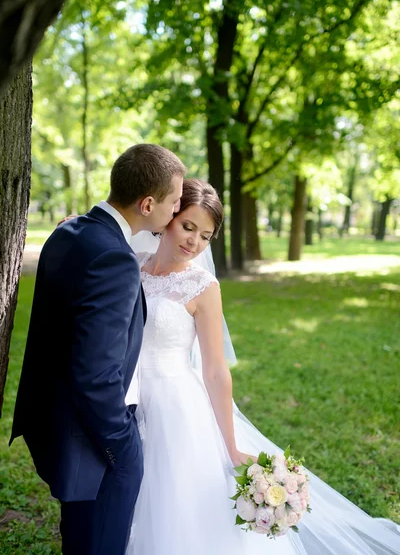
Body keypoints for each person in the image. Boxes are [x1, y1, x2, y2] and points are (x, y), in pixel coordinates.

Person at [127, 178, 400, 555]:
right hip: (126, 394)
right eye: (188, 226)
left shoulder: (202, 286)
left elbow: (215, 370)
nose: (193, 242)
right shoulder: (133, 265)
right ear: (168, 216)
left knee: (172, 501)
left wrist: (230, 445)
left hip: (174, 405)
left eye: (205, 236)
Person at [9, 144, 185, 555]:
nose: (176, 211)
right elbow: (96, 374)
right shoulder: (115, 259)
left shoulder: (70, 231)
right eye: (174, 202)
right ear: (147, 204)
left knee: (81, 537)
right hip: (93, 441)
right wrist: (122, 447)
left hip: (56, 424)